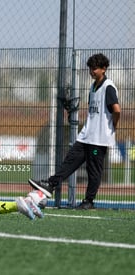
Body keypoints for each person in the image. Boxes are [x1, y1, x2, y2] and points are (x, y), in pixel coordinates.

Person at [29, 53, 121, 209]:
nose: (92, 71)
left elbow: (116, 110)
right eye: (90, 68)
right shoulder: (93, 87)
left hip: (99, 139)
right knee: (70, 161)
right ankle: (50, 185)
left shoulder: (108, 87)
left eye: (95, 68)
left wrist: (113, 126)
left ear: (104, 69)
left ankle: (89, 201)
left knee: (94, 171)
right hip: (86, 136)